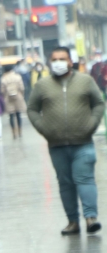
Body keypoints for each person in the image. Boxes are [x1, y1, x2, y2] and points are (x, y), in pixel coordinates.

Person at [28, 46, 105, 236]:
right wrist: (43, 128)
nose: (58, 63)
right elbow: (32, 109)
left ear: (70, 62)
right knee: (65, 183)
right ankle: (72, 221)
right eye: (54, 60)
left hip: (83, 142)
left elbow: (98, 103)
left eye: (62, 59)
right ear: (49, 63)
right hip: (57, 144)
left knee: (85, 178)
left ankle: (90, 218)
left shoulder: (85, 81)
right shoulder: (42, 85)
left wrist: (92, 124)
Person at [0, 65, 27, 139]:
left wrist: (4, 96)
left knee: (11, 116)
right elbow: (22, 87)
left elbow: (2, 90)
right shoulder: (17, 77)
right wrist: (21, 95)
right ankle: (20, 131)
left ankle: (13, 132)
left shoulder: (3, 78)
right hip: (18, 97)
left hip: (8, 98)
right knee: (18, 114)